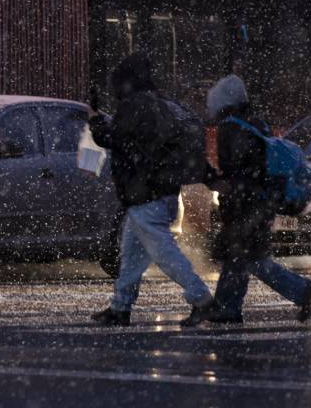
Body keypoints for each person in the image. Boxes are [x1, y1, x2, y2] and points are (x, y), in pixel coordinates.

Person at [88, 52, 216, 327]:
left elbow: (114, 139)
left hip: (145, 194)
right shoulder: (162, 106)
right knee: (131, 255)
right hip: (161, 192)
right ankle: (120, 307)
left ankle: (201, 298)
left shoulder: (135, 106)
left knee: (163, 253)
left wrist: (95, 121)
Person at [199, 75, 311, 324]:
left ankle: (295, 290)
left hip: (248, 203)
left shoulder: (230, 128)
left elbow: (239, 171)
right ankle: (229, 306)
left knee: (246, 256)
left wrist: (227, 191)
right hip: (264, 200)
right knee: (244, 257)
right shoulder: (256, 123)